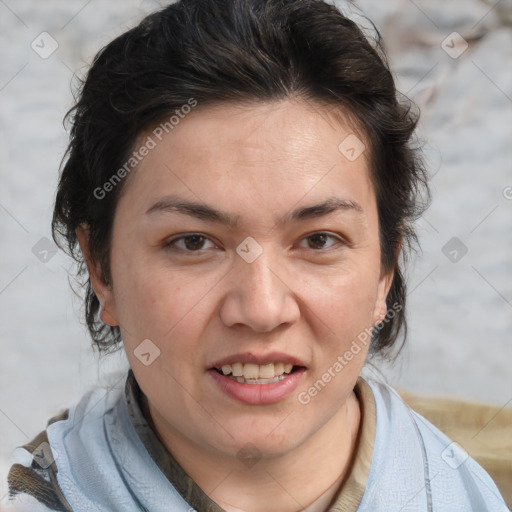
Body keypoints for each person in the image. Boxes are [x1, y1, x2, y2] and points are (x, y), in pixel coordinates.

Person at [2, 0, 508, 510]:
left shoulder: (465, 493)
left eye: (318, 240)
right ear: (101, 269)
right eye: (193, 242)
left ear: (385, 271)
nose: (262, 310)